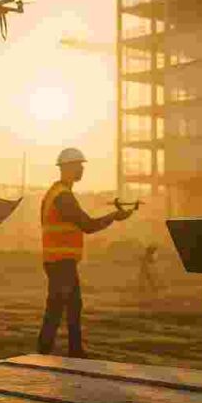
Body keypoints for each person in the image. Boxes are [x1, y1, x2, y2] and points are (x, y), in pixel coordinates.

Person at [36, 147, 133, 358]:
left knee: (61, 305)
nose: (81, 169)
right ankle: (71, 351)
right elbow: (87, 225)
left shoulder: (55, 193)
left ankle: (50, 350)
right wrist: (114, 216)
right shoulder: (63, 196)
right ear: (67, 168)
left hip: (56, 259)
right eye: (78, 166)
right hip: (61, 260)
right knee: (67, 305)